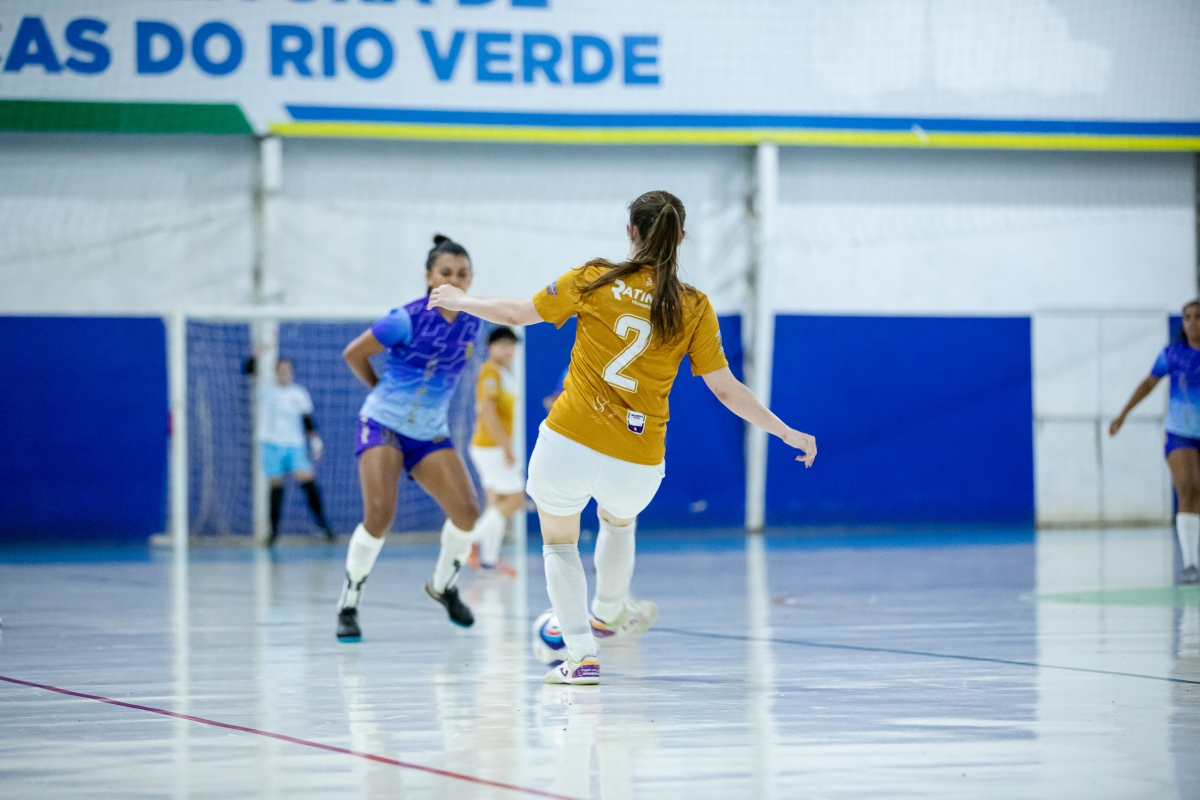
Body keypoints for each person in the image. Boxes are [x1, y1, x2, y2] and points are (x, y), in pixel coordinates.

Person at [428, 190, 817, 684]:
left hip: (568, 441)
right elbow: (725, 389)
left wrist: (462, 300)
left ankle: (581, 657)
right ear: (681, 238)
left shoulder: (594, 278)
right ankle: (609, 611)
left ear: (631, 231)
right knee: (618, 523)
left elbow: (517, 313)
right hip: (637, 458)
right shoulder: (694, 305)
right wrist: (785, 431)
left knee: (559, 546)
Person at [336, 234, 484, 642]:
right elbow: (353, 353)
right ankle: (349, 603)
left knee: (467, 514)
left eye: (463, 274)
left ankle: (443, 586)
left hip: (429, 431)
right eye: (446, 273)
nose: (454, 280)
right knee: (379, 514)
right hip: (383, 423)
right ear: (429, 277)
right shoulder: (405, 318)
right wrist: (378, 388)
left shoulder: (474, 320)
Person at [1110, 300, 1200, 584]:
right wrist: (1123, 414)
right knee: (1188, 489)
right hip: (1179, 432)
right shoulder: (1172, 354)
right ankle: (1191, 564)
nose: (1193, 322)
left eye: (1198, 317)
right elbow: (1149, 383)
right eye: (1187, 317)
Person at [244, 353, 334, 546]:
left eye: (288, 370)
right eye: (281, 370)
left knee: (308, 480)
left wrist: (316, 443)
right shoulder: (266, 389)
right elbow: (249, 368)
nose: (285, 373)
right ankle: (273, 533)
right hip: (270, 444)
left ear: (291, 372)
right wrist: (260, 350)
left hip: (294, 445)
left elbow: (308, 421)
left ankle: (323, 524)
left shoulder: (299, 394)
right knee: (276, 486)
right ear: (276, 372)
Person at [466, 326, 523, 576]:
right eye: (502, 345)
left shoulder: (505, 372)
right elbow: (487, 411)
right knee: (515, 499)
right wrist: (506, 447)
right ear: (491, 347)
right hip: (491, 447)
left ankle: (488, 559)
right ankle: (470, 540)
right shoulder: (490, 371)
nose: (508, 350)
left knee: (497, 503)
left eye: (511, 345)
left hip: (490, 446)